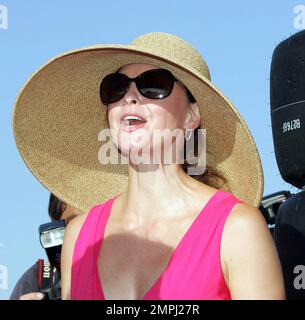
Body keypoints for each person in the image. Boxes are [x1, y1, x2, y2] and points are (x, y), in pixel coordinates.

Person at [13, 32, 285, 300]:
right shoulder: (79, 237)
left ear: (192, 116)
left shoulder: (237, 229)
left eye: (154, 84)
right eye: (116, 87)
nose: (129, 97)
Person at [10, 193, 83, 300]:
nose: (89, 228)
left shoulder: (115, 271)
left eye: (99, 217)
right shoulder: (40, 279)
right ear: (58, 227)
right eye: (77, 222)